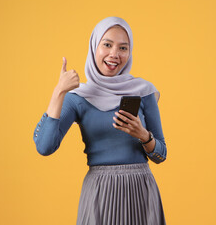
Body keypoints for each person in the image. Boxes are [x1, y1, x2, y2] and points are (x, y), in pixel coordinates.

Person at [33, 17, 167, 225]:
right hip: (99, 193)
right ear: (94, 46)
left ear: (130, 53)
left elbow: (161, 155)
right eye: (107, 45)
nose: (114, 54)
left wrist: (143, 135)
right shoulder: (78, 97)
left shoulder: (144, 91)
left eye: (123, 47)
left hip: (141, 191)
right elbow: (44, 146)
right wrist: (59, 91)